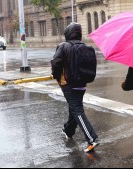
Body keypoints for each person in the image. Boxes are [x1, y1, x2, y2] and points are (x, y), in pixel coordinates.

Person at [51, 22, 99, 153]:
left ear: (67, 33)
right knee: (74, 107)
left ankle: (92, 138)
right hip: (82, 83)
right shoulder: (86, 46)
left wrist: (55, 76)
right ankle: (68, 130)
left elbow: (55, 63)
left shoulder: (63, 46)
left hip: (68, 84)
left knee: (77, 110)